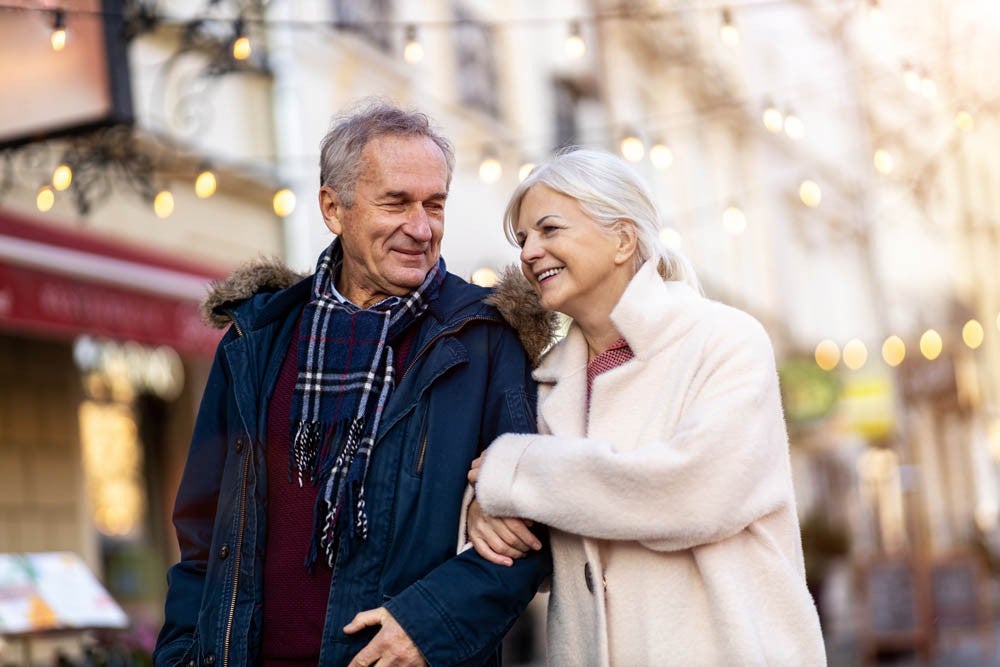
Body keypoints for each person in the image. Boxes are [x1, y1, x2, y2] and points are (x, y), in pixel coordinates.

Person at [154, 100, 550, 667]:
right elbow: (202, 528)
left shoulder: (487, 339)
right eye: (396, 203)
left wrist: (427, 627)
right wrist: (182, 654)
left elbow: (527, 532)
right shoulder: (256, 338)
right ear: (332, 208)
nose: (421, 228)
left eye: (434, 205)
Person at [465, 148, 826, 666]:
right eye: (523, 239)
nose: (528, 252)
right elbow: (545, 544)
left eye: (548, 230)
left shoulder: (724, 340)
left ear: (622, 239)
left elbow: (694, 492)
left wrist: (516, 471)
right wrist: (484, 509)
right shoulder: (546, 383)